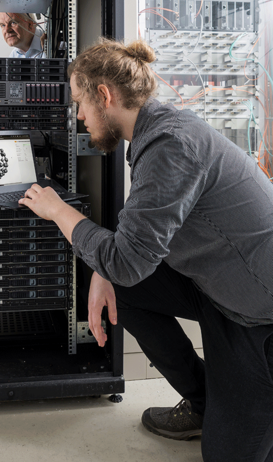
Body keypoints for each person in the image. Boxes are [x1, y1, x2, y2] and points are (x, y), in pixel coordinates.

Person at [18, 37, 273, 462]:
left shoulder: (171, 146)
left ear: (105, 95)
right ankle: (205, 401)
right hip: (219, 285)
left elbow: (128, 260)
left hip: (258, 314)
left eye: (80, 102)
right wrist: (105, 273)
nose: (78, 116)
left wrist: (59, 211)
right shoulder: (157, 133)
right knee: (124, 287)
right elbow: (142, 230)